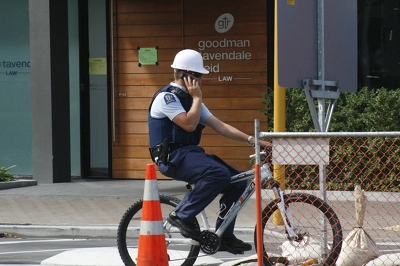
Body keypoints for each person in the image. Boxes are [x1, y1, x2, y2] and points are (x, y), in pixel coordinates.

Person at [148, 49, 268, 254]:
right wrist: (196, 98)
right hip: (172, 157)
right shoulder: (167, 98)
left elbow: (220, 126)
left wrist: (252, 140)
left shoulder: (192, 101)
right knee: (217, 174)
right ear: (186, 75)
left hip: (190, 154)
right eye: (199, 76)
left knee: (238, 181)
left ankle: (225, 236)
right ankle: (180, 215)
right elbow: (188, 125)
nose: (201, 80)